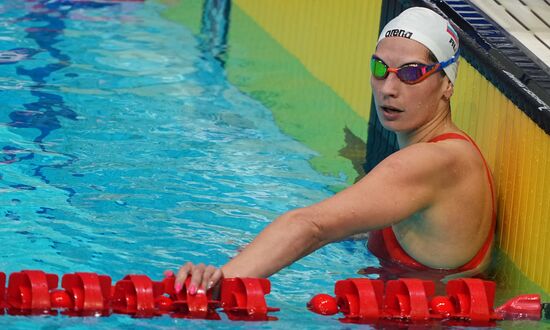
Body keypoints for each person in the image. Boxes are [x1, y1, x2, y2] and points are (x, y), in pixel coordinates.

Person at [169, 7, 496, 295]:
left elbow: (312, 226)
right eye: (380, 69)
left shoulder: (430, 162)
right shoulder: (447, 154)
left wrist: (219, 282)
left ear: (447, 84)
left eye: (411, 74)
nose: (388, 89)